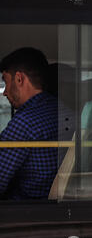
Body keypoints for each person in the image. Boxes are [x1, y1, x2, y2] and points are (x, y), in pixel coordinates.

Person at [0, 47, 58, 200]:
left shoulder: (23, 124)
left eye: (5, 81)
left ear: (19, 79)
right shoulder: (59, 109)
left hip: (23, 209)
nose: (4, 92)